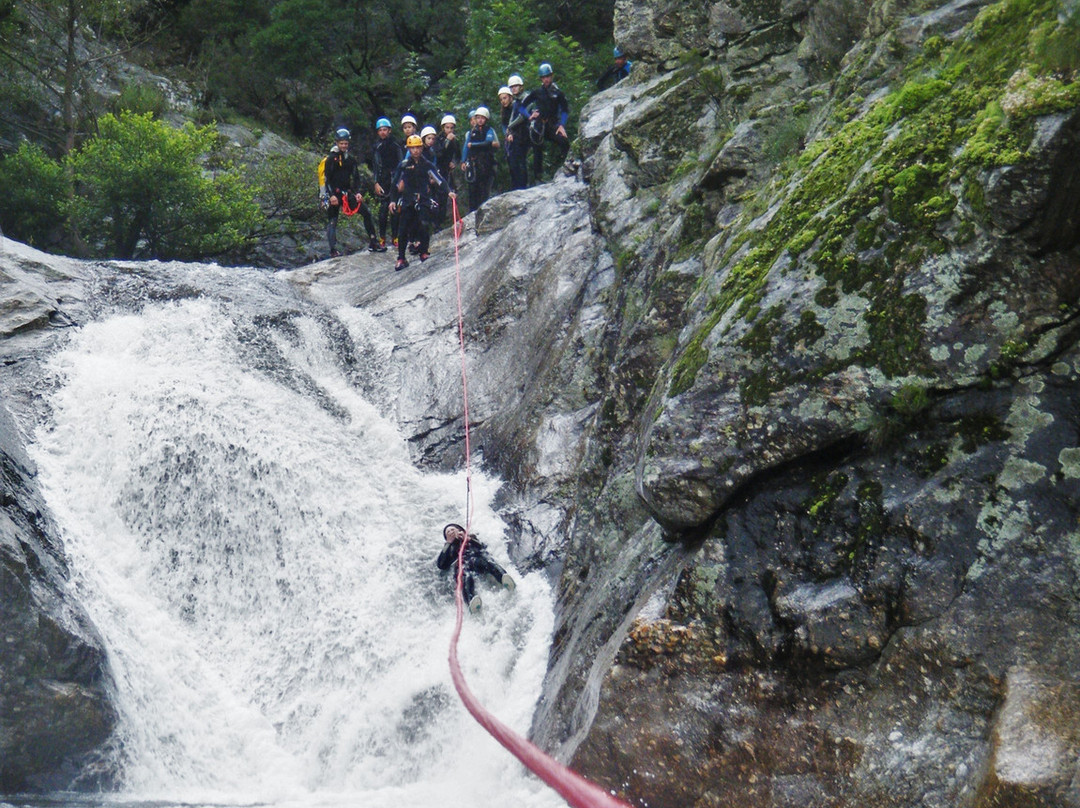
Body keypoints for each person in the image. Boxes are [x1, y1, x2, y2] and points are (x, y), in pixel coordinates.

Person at [390, 134, 455, 270]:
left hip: (423, 199)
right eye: (413, 148)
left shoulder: (427, 164)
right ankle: (401, 257)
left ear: (421, 148)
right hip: (408, 199)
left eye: (418, 147)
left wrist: (448, 191)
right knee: (403, 230)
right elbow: (395, 183)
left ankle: (424, 251)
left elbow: (438, 179)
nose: (416, 151)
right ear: (408, 148)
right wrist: (393, 201)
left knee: (424, 225)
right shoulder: (404, 165)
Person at [321, 128, 378, 256]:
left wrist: (358, 192)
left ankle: (373, 241)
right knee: (332, 220)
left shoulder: (350, 160)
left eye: (345, 143)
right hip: (334, 194)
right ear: (337, 143)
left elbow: (356, 177)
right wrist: (331, 196)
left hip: (346, 193)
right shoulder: (331, 159)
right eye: (341, 143)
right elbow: (327, 179)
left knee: (366, 213)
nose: (343, 146)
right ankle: (332, 250)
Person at [436, 523, 515, 614]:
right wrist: (448, 544)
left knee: (488, 563)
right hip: (464, 566)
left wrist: (468, 539)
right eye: (448, 532)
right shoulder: (449, 549)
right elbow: (441, 565)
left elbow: (482, 546)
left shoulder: (471, 537)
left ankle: (503, 577)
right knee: (466, 577)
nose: (450, 532)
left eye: (452, 530)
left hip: (477, 559)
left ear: (459, 530)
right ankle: (471, 600)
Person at [522, 63, 570, 182]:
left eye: (548, 76)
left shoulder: (558, 93)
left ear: (551, 76)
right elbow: (521, 106)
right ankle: (538, 178)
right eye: (544, 77)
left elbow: (564, 110)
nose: (546, 79)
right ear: (541, 79)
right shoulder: (537, 92)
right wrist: (529, 116)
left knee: (563, 141)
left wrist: (562, 125)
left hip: (552, 124)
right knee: (537, 151)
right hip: (539, 125)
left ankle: (568, 167)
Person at [371, 117, 402, 251]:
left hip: (394, 179)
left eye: (385, 130)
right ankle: (382, 237)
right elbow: (376, 166)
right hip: (383, 180)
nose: (383, 132)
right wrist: (376, 182)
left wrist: (401, 179)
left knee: (394, 209)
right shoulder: (376, 147)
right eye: (380, 130)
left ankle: (395, 236)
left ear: (389, 131)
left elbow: (401, 163)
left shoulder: (395, 145)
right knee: (383, 210)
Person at [460, 106, 499, 213]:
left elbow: (487, 143)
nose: (480, 120)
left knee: (484, 190)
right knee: (473, 190)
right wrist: (463, 161)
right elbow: (466, 147)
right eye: (478, 118)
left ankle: (483, 211)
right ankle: (472, 212)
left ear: (486, 119)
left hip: (486, 163)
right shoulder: (472, 132)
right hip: (474, 164)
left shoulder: (489, 130)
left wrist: (473, 145)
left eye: (482, 118)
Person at [503, 79, 531, 190]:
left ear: (521, 87)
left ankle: (522, 187)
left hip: (524, 134)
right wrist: (509, 130)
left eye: (516, 86)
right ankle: (517, 187)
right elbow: (512, 118)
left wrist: (510, 126)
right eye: (512, 87)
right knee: (514, 163)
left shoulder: (525, 99)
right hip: (516, 135)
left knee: (520, 162)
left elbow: (522, 117)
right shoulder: (516, 102)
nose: (514, 88)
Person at [435, 114, 461, 228]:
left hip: (448, 171)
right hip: (438, 169)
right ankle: (436, 223)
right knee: (438, 196)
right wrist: (446, 141)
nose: (449, 130)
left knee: (446, 197)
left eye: (451, 128)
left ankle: (442, 222)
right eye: (447, 128)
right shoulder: (438, 139)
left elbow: (458, 155)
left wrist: (454, 162)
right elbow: (439, 153)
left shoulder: (455, 140)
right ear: (443, 128)